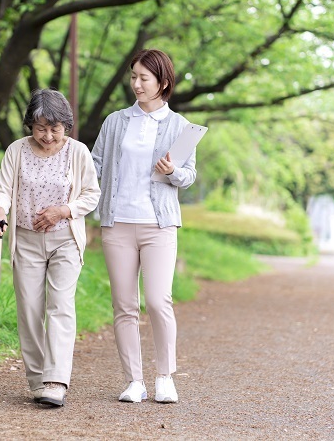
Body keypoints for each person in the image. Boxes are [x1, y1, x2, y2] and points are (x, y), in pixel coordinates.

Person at [91, 49, 197, 404]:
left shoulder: (180, 126)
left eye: (143, 78)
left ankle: (165, 377)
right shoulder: (115, 121)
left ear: (162, 83)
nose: (136, 84)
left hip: (159, 225)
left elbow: (188, 176)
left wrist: (174, 173)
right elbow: (95, 164)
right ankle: (133, 380)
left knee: (157, 300)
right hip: (117, 222)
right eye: (133, 76)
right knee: (124, 304)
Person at [0, 88, 101, 407]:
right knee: (30, 310)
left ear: (66, 125)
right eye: (40, 128)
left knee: (60, 305)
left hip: (65, 238)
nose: (48, 136)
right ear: (30, 126)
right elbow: (3, 191)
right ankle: (37, 380)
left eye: (55, 128)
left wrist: (63, 210)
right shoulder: (16, 151)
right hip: (25, 239)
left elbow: (92, 194)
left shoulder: (78, 152)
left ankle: (55, 380)